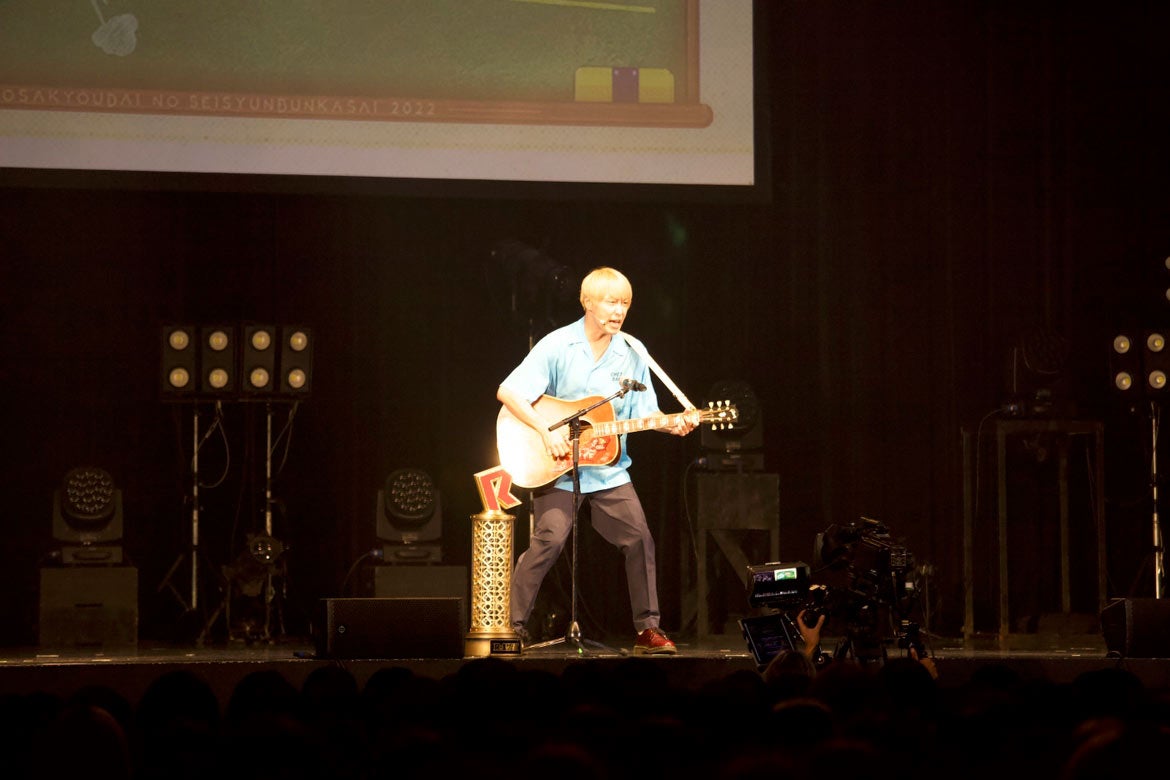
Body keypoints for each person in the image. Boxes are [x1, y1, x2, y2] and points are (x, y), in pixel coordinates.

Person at [497, 266, 696, 654]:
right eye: (610, 301)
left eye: (625, 303)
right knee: (548, 542)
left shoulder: (633, 351)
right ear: (587, 302)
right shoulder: (557, 345)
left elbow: (647, 411)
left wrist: (673, 424)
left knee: (639, 539)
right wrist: (545, 430)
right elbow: (509, 391)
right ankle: (512, 626)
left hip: (607, 471)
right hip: (559, 469)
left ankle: (647, 631)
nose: (618, 311)